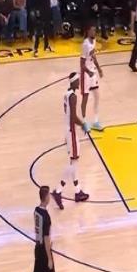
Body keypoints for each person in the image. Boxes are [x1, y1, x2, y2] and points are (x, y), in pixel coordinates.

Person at [51, 73, 90, 209]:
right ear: (73, 82)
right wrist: (83, 124)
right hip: (72, 132)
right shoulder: (73, 97)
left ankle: (78, 191)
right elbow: (73, 117)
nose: (79, 82)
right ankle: (58, 190)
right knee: (74, 162)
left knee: (74, 162)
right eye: (77, 80)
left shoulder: (66, 94)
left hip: (67, 130)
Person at [27, 186, 72, 272]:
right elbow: (46, 239)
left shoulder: (36, 211)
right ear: (46, 197)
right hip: (44, 251)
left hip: (37, 248)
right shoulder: (46, 217)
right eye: (48, 196)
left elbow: (38, 231)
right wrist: (50, 258)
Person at [80, 25, 104, 131]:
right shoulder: (85, 44)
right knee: (85, 98)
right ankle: (84, 122)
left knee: (97, 96)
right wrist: (88, 72)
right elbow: (82, 64)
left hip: (92, 72)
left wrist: (98, 69)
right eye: (92, 30)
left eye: (95, 30)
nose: (94, 32)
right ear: (88, 31)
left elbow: (93, 57)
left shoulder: (94, 41)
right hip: (85, 74)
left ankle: (96, 121)